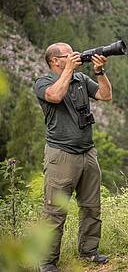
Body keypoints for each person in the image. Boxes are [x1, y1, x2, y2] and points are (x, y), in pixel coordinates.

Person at [34, 43, 112, 272]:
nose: (74, 55)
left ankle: (89, 251)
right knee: (55, 211)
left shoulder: (80, 79)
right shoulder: (43, 82)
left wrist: (99, 72)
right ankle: (47, 262)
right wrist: (69, 70)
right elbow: (55, 96)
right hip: (61, 154)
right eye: (67, 54)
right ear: (55, 61)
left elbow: (106, 95)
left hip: (88, 152)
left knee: (91, 206)